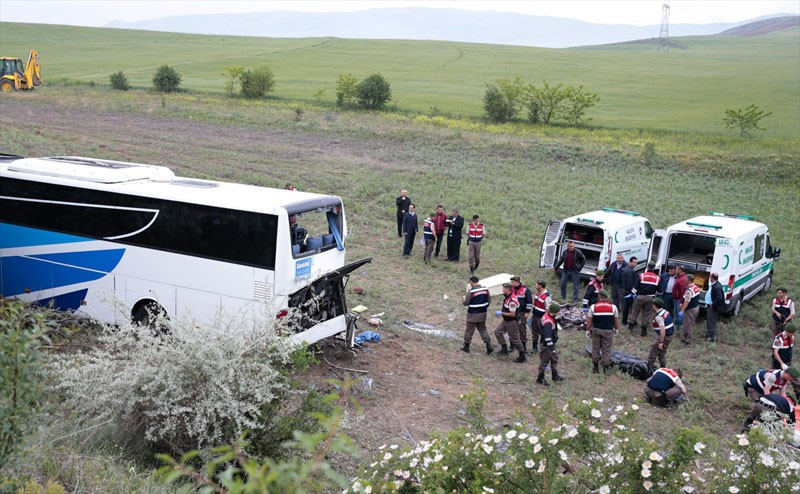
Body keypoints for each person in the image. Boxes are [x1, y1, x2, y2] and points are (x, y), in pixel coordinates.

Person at [586, 289, 619, 374]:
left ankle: (595, 368)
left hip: (596, 330)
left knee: (596, 348)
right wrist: (616, 328)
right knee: (606, 349)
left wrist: (587, 330)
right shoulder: (613, 307)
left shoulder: (593, 307)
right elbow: (616, 320)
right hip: (608, 331)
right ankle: (606, 368)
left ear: (599, 297)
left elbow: (589, 320)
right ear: (606, 297)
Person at [494, 283, 526, 363]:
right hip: (506, 321)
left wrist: (501, 313)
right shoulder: (508, 297)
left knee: (515, 339)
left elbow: (512, 314)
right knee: (497, 332)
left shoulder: (512, 301)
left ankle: (522, 355)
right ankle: (504, 348)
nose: (502, 290)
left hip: (512, 322)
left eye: (504, 289)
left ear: (508, 289)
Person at [462, 276, 494, 355]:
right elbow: (489, 300)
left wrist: (463, 299)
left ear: (471, 282)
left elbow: (466, 303)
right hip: (482, 314)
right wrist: (484, 307)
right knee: (483, 329)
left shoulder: (471, 292)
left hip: (472, 314)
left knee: (469, 330)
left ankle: (466, 347)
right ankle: (488, 345)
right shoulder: (485, 289)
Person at [629, 261, 660, 336]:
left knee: (635, 312)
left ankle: (631, 327)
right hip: (650, 298)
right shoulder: (657, 278)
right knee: (646, 314)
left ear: (647, 267)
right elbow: (659, 290)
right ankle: (643, 331)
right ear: (654, 268)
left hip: (640, 297)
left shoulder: (641, 276)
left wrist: (632, 294)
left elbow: (635, 287)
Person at [537, 303, 565, 386]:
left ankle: (555, 376)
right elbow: (547, 337)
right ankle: (540, 378)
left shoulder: (548, 316)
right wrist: (552, 348)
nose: (558, 314)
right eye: (558, 312)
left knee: (554, 359)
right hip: (547, 345)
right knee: (544, 362)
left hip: (550, 344)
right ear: (553, 312)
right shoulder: (548, 322)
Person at [647, 298, 675, 369]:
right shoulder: (665, 311)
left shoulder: (659, 317)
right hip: (669, 335)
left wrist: (661, 342)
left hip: (664, 336)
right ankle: (663, 367)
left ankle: (649, 367)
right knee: (662, 353)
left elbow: (662, 330)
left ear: (655, 306)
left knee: (654, 350)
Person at [511, 276, 533, 353]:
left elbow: (529, 302)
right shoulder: (512, 289)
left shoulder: (525, 290)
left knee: (522, 328)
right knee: (512, 328)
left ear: (517, 282)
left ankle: (524, 346)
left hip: (522, 312)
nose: (511, 283)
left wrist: (527, 312)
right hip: (513, 312)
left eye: (513, 282)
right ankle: (512, 344)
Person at [530, 280, 552, 355]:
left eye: (537, 284)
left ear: (540, 286)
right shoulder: (537, 293)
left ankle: (543, 347)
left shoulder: (547, 296)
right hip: (535, 316)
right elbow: (535, 304)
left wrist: (544, 319)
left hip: (541, 317)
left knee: (542, 333)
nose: (535, 285)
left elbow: (548, 309)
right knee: (534, 332)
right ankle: (534, 347)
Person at [679, 274, 701, 345]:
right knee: (691, 323)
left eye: (686, 278)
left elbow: (687, 302)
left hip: (690, 310)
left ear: (688, 280)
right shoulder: (696, 287)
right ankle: (686, 337)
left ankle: (687, 340)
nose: (685, 280)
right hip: (696, 307)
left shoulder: (689, 290)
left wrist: (682, 311)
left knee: (688, 324)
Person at [706, 272, 725, 342]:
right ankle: (709, 334)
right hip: (710, 306)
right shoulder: (715, 284)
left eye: (710, 277)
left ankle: (712, 337)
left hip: (713, 307)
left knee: (712, 321)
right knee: (709, 320)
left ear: (712, 278)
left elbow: (719, 298)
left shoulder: (717, 287)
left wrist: (713, 304)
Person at [671, 265, 689, 334]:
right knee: (677, 314)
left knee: (679, 315)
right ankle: (677, 328)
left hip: (679, 300)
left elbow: (683, 292)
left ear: (680, 270)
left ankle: (679, 330)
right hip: (677, 299)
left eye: (676, 269)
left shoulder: (682, 279)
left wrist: (681, 302)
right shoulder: (680, 278)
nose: (675, 270)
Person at [620, 257, 637, 325]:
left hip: (624, 290)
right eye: (634, 262)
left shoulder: (625, 269)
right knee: (629, 308)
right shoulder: (630, 271)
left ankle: (624, 320)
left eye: (636, 262)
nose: (635, 264)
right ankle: (626, 321)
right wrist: (632, 292)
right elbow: (630, 283)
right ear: (630, 262)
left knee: (626, 307)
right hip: (628, 292)